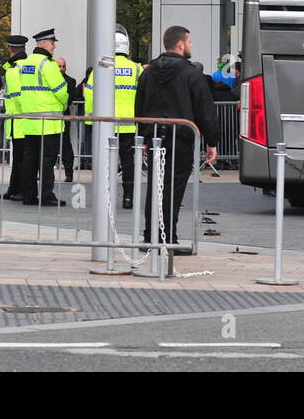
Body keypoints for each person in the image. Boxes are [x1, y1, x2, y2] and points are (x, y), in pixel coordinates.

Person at [135, 25, 218, 253]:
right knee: (173, 189)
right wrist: (212, 141)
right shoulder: (191, 73)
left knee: (155, 186)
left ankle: (150, 237)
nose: (191, 46)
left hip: (153, 137)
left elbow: (139, 105)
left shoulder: (148, 72)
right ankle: (167, 238)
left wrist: (142, 135)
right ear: (180, 44)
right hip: (180, 138)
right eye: (189, 42)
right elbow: (205, 109)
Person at [80, 30, 144, 208]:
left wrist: (90, 118)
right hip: (130, 124)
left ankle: (104, 197)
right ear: (127, 47)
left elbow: (90, 93)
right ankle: (128, 197)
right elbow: (144, 95)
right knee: (128, 160)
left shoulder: (103, 65)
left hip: (106, 123)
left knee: (105, 161)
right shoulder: (136, 68)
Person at [16, 28, 70, 207]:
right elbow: (61, 90)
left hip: (30, 121)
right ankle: (46, 195)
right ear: (43, 44)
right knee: (47, 160)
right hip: (48, 122)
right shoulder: (48, 65)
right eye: (52, 43)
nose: (54, 47)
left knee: (30, 159)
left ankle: (28, 195)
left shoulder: (24, 63)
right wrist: (63, 106)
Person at [0, 35, 30, 200]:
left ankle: (19, 190)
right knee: (20, 157)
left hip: (18, 120)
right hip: (22, 120)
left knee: (20, 158)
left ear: (10, 48)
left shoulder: (14, 68)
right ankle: (14, 188)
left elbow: (17, 96)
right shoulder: (25, 64)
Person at [55, 56, 78, 183]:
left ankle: (69, 173)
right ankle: (43, 172)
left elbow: (69, 99)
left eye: (63, 66)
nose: (62, 69)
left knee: (65, 146)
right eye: (59, 66)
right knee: (49, 145)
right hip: (51, 116)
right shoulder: (50, 78)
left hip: (64, 116)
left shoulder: (70, 81)